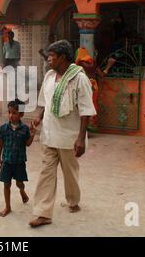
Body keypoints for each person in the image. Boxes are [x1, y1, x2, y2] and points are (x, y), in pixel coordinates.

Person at [29, 40, 96, 228]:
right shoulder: (50, 76)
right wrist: (37, 116)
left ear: (63, 58)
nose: (49, 59)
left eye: (52, 56)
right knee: (45, 173)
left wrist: (81, 138)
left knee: (70, 173)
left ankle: (73, 201)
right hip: (49, 135)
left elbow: (86, 110)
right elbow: (43, 101)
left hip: (69, 138)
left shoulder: (79, 79)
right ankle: (43, 213)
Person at [0, 99, 37, 217]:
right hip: (7, 161)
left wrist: (33, 133)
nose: (10, 115)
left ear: (21, 114)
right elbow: (0, 144)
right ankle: (8, 207)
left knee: (20, 183)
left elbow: (27, 144)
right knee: (6, 184)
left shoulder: (24, 129)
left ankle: (22, 191)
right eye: (9, 112)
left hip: (19, 162)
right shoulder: (4, 128)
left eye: (14, 113)